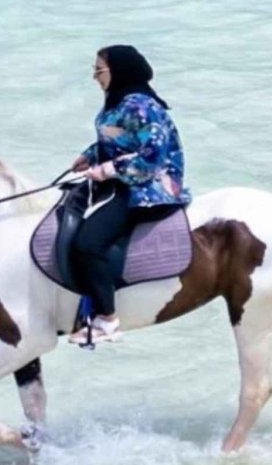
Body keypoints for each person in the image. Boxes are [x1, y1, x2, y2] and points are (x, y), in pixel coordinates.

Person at [69, 44, 190, 344]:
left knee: (87, 243)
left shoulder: (140, 105)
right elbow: (120, 141)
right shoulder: (118, 102)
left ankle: (107, 320)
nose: (94, 77)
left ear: (119, 71)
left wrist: (106, 170)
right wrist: (90, 155)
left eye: (99, 70)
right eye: (94, 70)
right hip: (124, 180)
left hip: (149, 188)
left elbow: (150, 156)